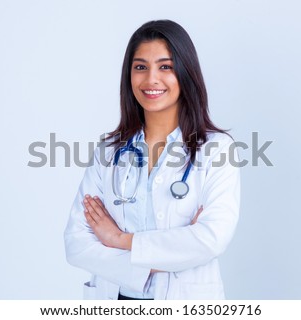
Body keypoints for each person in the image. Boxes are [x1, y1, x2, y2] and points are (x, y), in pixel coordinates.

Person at [64, 19, 240, 300]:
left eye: (165, 67)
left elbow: (210, 239)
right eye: (141, 67)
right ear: (129, 75)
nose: (151, 79)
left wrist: (118, 240)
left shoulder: (216, 150)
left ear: (186, 72)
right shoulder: (109, 152)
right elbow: (76, 244)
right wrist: (165, 258)